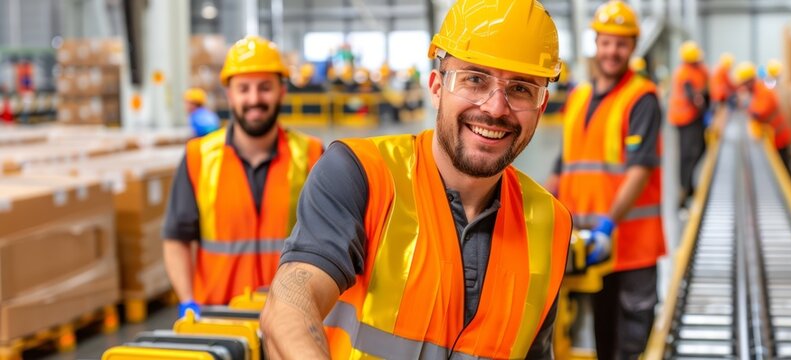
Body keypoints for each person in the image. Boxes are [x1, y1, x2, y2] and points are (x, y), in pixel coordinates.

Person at [260, 1, 572, 358]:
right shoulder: (362, 174)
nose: (495, 107)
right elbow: (290, 306)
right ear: (437, 87)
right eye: (474, 79)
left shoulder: (550, 223)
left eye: (520, 89)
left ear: (541, 106)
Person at [162, 35, 324, 317]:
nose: (254, 99)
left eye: (265, 88)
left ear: (281, 91)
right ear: (229, 94)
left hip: (291, 319)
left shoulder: (312, 155)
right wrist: (187, 300)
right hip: (217, 318)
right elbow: (177, 238)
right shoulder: (198, 157)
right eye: (244, 89)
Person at [545, 1, 665, 358]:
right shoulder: (579, 96)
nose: (613, 51)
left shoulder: (642, 97)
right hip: (588, 245)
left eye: (622, 44)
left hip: (628, 243)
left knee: (630, 341)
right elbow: (565, 160)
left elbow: (640, 168)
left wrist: (608, 224)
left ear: (632, 47)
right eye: (607, 42)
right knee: (602, 333)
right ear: (595, 43)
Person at [669, 40, 709, 207]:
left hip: (694, 117)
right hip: (685, 119)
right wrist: (702, 105)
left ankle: (689, 186)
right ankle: (685, 190)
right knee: (688, 155)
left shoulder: (699, 70)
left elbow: (706, 88)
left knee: (700, 148)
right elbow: (693, 97)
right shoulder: (684, 73)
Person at [734, 61, 791, 173]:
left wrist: (746, 104)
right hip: (769, 139)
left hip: (778, 138)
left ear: (750, 81)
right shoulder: (755, 92)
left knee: (783, 171)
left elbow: (758, 113)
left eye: (744, 84)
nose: (743, 87)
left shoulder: (764, 92)